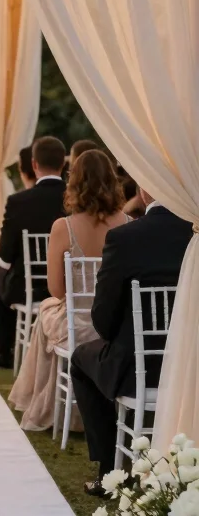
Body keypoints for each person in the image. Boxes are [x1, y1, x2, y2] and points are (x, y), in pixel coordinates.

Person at [71, 189, 192, 493]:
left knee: (80, 359)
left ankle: (109, 471)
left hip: (138, 369)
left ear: (142, 190)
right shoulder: (194, 233)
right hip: (191, 366)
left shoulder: (124, 238)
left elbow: (102, 320)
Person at [9, 150, 128, 430]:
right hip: (114, 326)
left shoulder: (64, 227)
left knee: (48, 311)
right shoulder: (128, 225)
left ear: (74, 181)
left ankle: (50, 406)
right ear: (112, 180)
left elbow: (57, 289)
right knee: (49, 314)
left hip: (78, 324)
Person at [0, 136, 67, 368]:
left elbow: (6, 256)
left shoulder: (18, 201)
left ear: (34, 164)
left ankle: (5, 350)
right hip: (67, 286)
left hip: (27, 289)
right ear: (63, 164)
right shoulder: (75, 198)